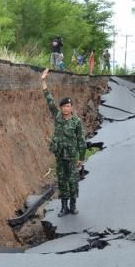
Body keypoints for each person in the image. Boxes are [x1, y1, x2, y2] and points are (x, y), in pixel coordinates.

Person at [40, 68, 86, 217]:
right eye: (64, 106)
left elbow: (81, 140)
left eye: (68, 106)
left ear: (72, 107)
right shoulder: (58, 116)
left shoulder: (76, 121)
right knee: (62, 180)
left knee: (72, 180)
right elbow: (49, 99)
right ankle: (63, 206)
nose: (66, 108)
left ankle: (73, 206)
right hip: (60, 155)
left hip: (72, 156)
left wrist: (81, 158)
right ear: (61, 108)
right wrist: (43, 81)